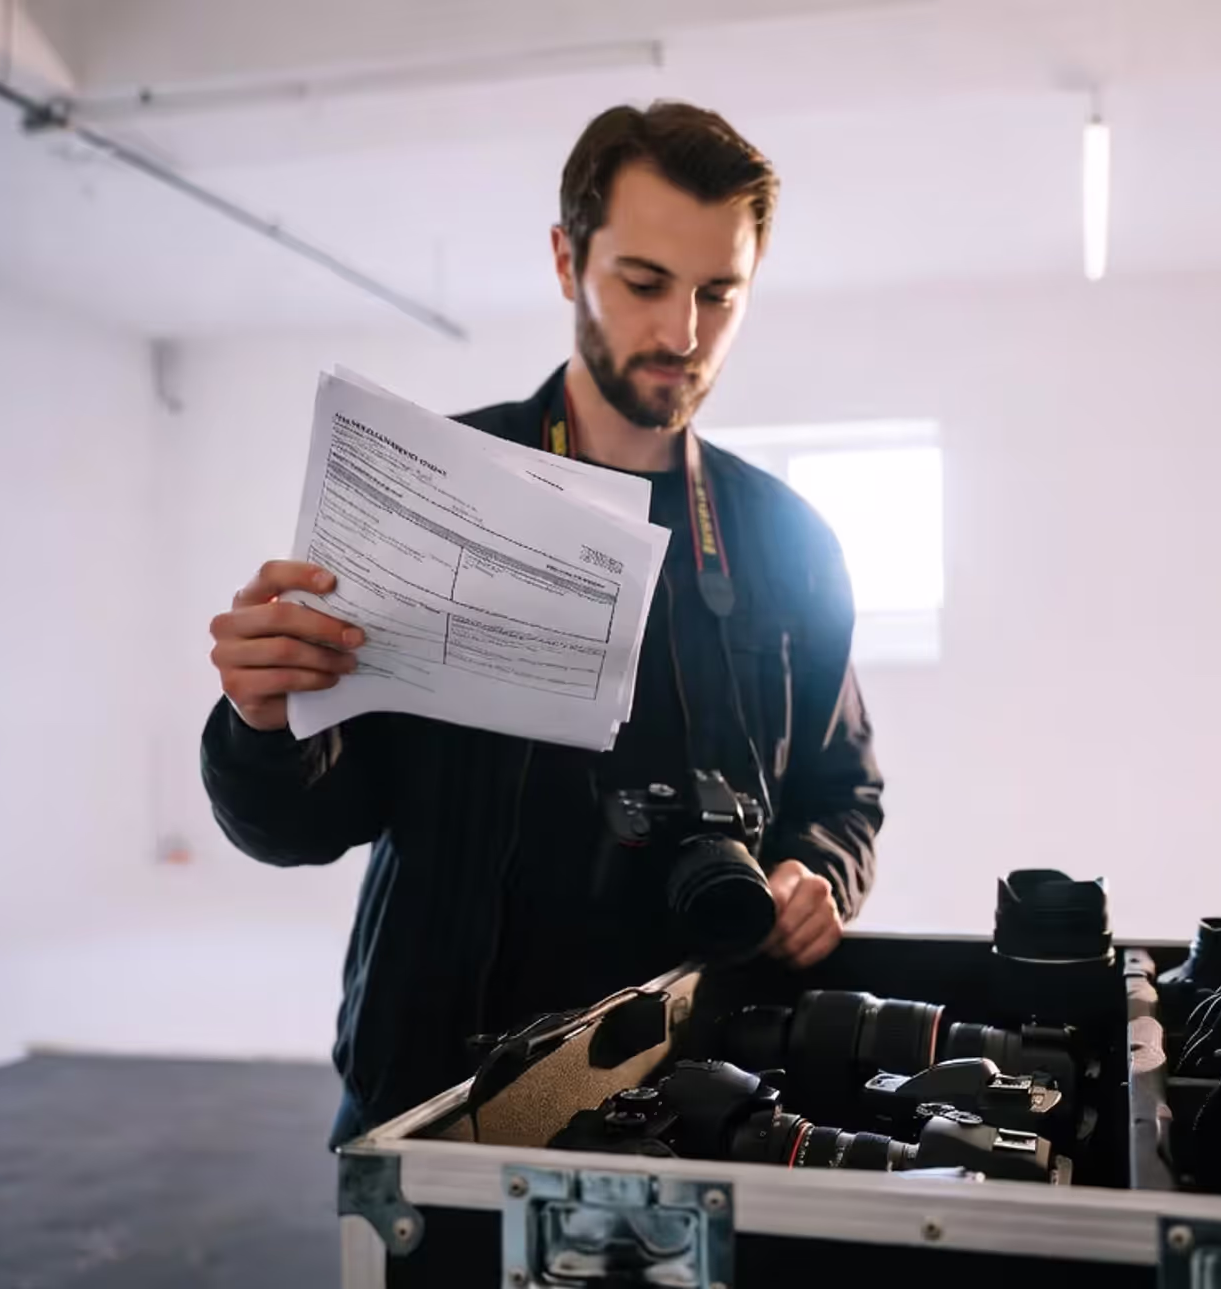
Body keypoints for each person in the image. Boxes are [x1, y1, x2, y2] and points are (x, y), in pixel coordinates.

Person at [199, 102, 883, 1146]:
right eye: (645, 283)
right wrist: (257, 718)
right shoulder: (431, 491)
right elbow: (301, 824)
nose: (682, 334)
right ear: (568, 261)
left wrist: (815, 873)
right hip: (441, 1098)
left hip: (706, 1097)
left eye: (719, 292)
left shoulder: (791, 540)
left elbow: (844, 789)